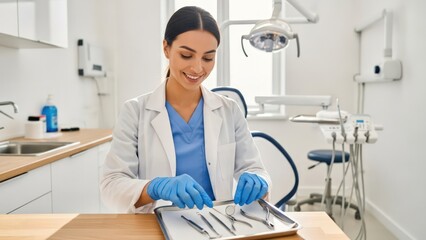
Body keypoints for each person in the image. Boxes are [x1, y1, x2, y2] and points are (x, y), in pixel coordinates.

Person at [100, 6, 271, 213]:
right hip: (155, 225)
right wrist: (154, 188)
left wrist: (258, 180)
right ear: (166, 48)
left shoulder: (229, 110)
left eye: (208, 58)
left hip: (217, 223)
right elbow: (111, 186)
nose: (198, 68)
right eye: (186, 55)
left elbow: (254, 169)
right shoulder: (135, 112)